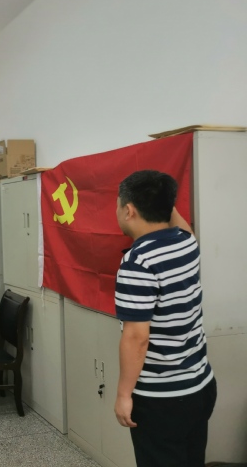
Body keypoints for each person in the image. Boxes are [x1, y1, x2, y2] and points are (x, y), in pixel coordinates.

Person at [114, 170, 216, 467]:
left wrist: (123, 395)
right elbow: (181, 225)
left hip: (162, 398)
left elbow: (137, 337)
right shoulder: (186, 243)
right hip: (200, 385)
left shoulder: (137, 262)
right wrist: (161, 200)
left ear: (129, 210)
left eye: (118, 204)